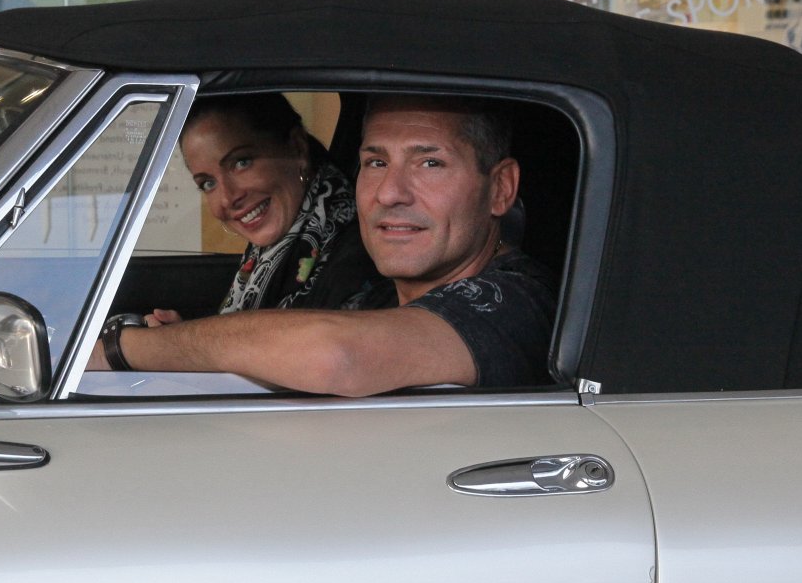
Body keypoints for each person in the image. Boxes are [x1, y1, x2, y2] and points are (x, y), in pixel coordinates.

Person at [95, 95, 558, 395]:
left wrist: (126, 348)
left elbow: (334, 355)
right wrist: (183, 348)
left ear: (500, 188)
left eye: (430, 163)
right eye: (376, 163)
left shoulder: (517, 301)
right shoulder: (375, 297)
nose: (389, 193)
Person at [148, 93, 375, 322]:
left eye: (241, 162)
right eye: (208, 183)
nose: (227, 198)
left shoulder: (358, 259)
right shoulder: (277, 250)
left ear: (297, 148)